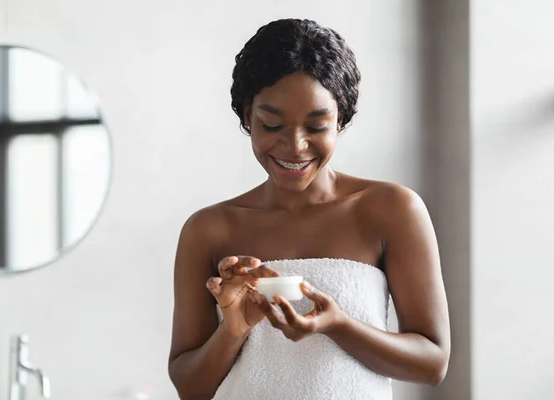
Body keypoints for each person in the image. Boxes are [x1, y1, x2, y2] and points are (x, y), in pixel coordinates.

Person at [167, 18, 450, 400]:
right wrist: (233, 329)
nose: (295, 146)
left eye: (316, 127)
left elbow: (432, 363)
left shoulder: (391, 210)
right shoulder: (210, 229)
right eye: (272, 124)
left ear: (341, 120)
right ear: (247, 117)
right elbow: (190, 387)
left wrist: (337, 325)